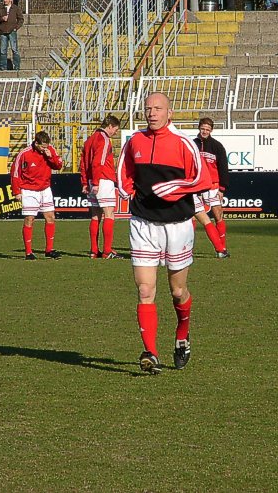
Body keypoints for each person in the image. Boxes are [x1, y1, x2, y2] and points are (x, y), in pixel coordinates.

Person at [117, 92, 212, 374]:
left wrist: (174, 188)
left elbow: (202, 179)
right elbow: (123, 173)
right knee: (145, 289)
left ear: (169, 113)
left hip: (177, 224)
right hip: (143, 223)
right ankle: (150, 353)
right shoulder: (135, 140)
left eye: (158, 108)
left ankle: (182, 335)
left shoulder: (183, 142)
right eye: (148, 109)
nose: (152, 113)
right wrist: (127, 189)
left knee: (178, 291)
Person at [10, 130, 63, 260]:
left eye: (46, 146)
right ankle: (28, 252)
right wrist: (16, 191)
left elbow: (58, 165)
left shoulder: (50, 150)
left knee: (50, 217)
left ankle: (49, 250)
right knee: (30, 219)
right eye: (42, 147)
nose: (44, 149)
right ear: (36, 143)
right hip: (29, 190)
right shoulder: (24, 154)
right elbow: (15, 172)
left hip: (45, 188)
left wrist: (50, 157)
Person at [79, 115, 122, 260]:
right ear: (110, 126)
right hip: (103, 179)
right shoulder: (104, 139)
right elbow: (99, 162)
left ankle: (94, 251)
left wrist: (86, 182)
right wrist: (97, 182)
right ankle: (107, 251)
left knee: (95, 215)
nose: (115, 132)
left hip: (92, 180)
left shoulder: (89, 140)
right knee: (109, 214)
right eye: (115, 129)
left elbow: (83, 163)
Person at [193, 117, 230, 258]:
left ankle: (222, 247)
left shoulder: (217, 146)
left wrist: (222, 188)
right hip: (196, 186)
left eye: (207, 129)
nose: (204, 131)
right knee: (192, 218)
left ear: (211, 130)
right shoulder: (192, 144)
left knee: (217, 216)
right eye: (203, 129)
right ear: (199, 128)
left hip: (212, 186)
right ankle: (188, 249)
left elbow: (223, 168)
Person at [0, 0, 23, 71]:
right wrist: (2, 18)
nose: (5, 0)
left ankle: (17, 67)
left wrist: (16, 28)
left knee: (14, 50)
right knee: (3, 50)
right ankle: (3, 67)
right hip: (3, 31)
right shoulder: (0, 8)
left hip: (12, 31)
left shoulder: (15, 8)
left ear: (11, 0)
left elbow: (21, 19)